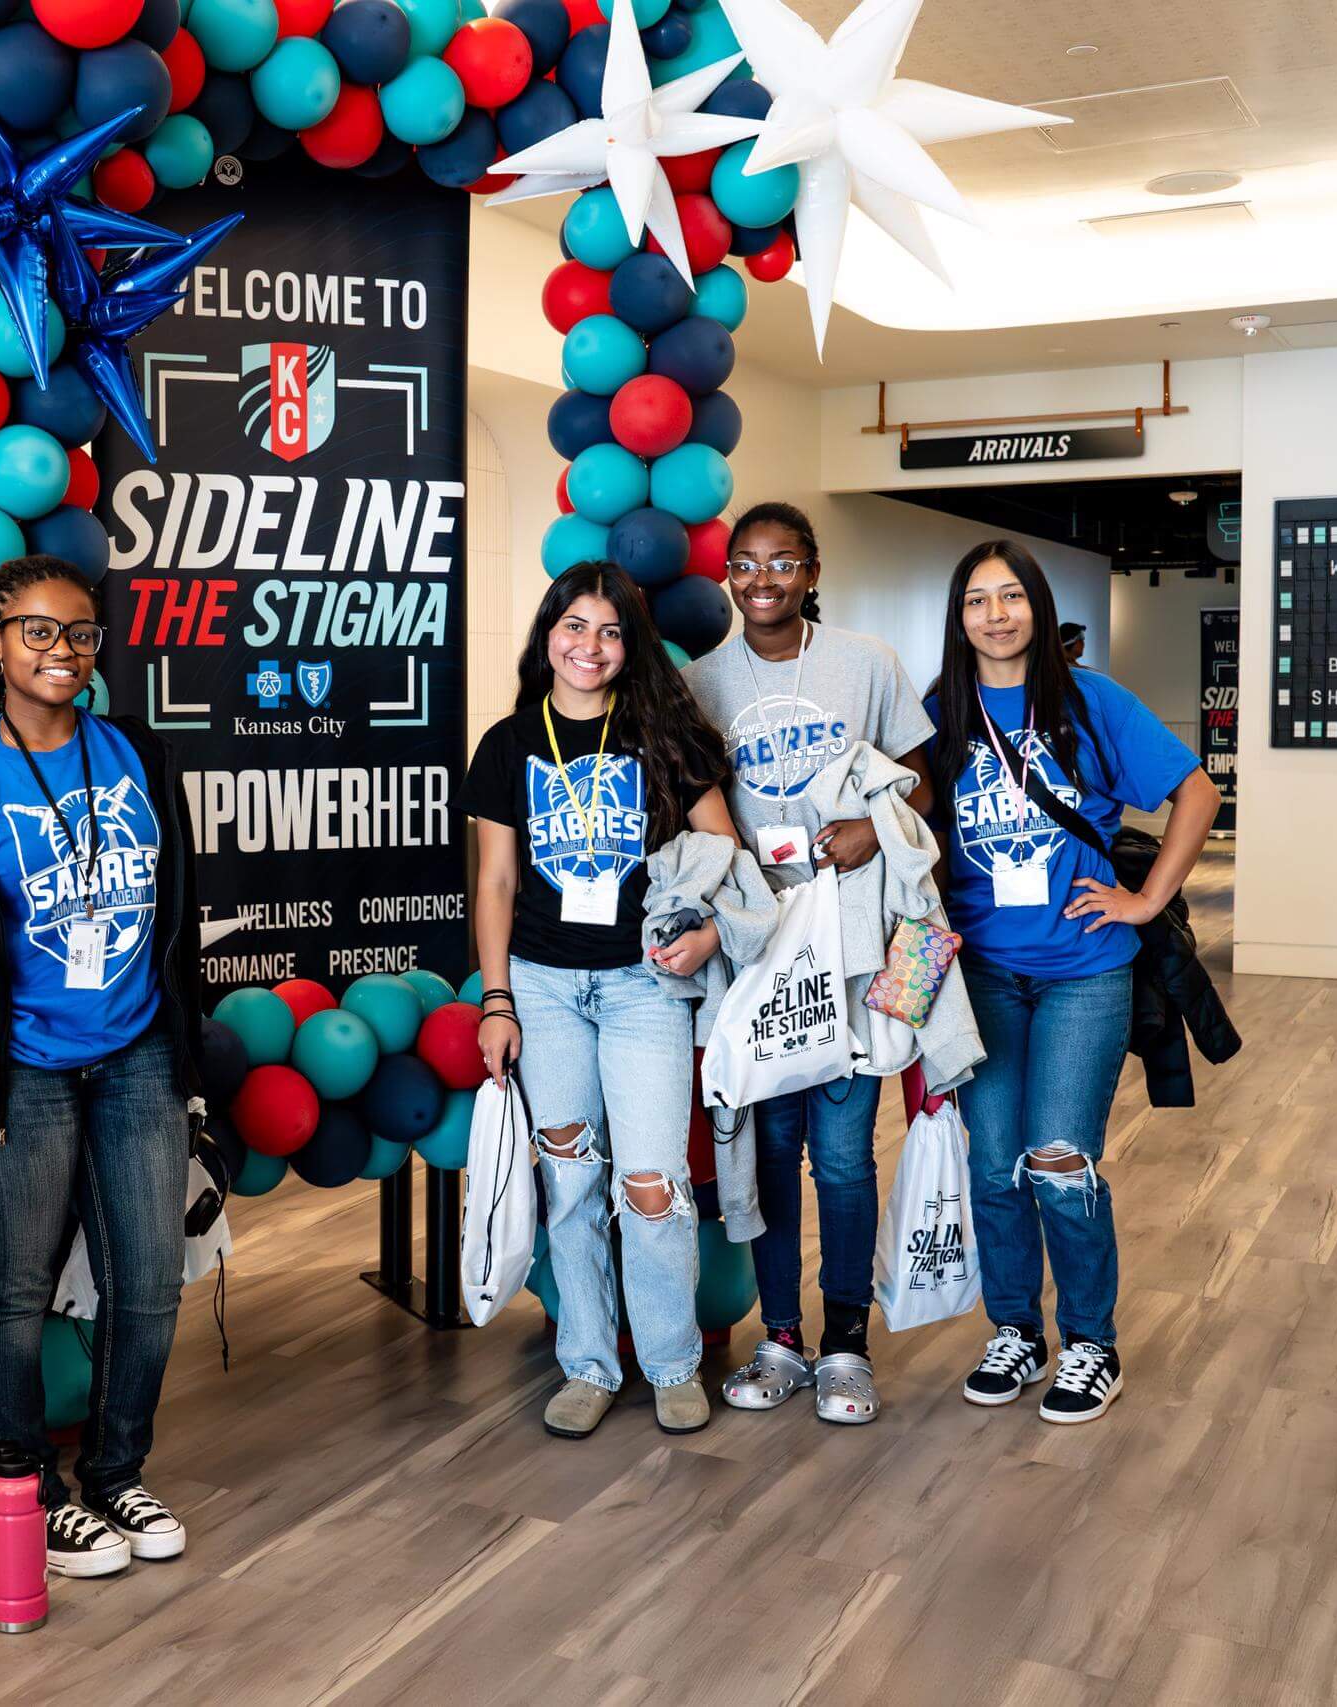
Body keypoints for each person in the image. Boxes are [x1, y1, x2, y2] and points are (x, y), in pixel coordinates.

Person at [0, 554, 204, 1580]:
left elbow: (177, 907)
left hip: (136, 1053)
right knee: (9, 1288)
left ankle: (114, 1470)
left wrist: (181, 1048)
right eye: (37, 633)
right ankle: (27, 1483)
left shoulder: (139, 754)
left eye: (80, 635)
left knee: (146, 1280)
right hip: (14, 1068)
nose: (61, 652)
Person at [926, 540, 1220, 1423]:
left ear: (1039, 607)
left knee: (1058, 1157)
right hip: (979, 970)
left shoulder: (1093, 701)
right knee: (993, 1162)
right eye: (977, 599)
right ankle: (1015, 1328)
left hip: (1084, 969)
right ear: (960, 616)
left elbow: (1196, 792)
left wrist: (1145, 898)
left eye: (1011, 596)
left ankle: (1092, 1341)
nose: (996, 614)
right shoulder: (943, 711)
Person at [681, 500, 936, 1425]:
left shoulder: (867, 665)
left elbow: (922, 779)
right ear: (728, 575)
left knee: (841, 1158)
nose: (761, 580)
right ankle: (783, 1337)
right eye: (745, 564)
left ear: (813, 570)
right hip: (756, 957)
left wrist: (878, 827)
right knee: (771, 1155)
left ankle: (847, 1347)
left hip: (856, 951)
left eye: (781, 563)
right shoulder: (703, 683)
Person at [468, 564, 738, 1439]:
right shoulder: (509, 744)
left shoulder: (663, 733)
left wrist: (706, 935)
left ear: (631, 647)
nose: (590, 646)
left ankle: (669, 1360)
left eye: (611, 631)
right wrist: (497, 1000)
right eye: (575, 626)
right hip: (542, 989)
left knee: (651, 1182)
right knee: (570, 1181)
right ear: (549, 632)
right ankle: (587, 1359)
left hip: (643, 986)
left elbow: (721, 846)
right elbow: (498, 881)